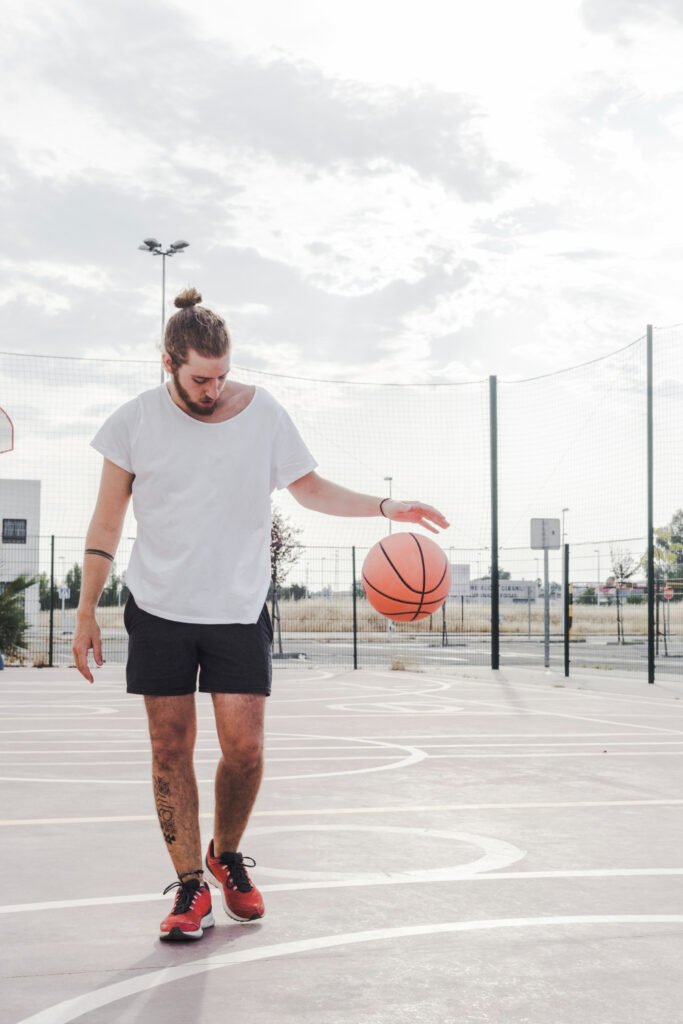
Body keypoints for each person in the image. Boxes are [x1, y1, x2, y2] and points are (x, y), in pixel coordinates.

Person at [73, 288, 449, 942]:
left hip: (238, 606)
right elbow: (107, 521)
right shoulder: (132, 423)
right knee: (170, 749)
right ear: (168, 362)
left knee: (244, 751)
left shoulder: (262, 412)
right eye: (199, 378)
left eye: (221, 376)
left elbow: (309, 488)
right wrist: (85, 610)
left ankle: (226, 854)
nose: (213, 389)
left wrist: (386, 508)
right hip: (158, 606)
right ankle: (191, 886)